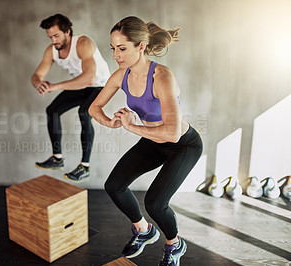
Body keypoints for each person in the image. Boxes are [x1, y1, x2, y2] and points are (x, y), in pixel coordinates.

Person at [89, 16, 203, 265]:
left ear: (140, 46)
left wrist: (132, 127)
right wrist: (110, 122)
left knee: (155, 203)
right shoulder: (121, 76)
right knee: (114, 186)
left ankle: (175, 244)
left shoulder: (162, 76)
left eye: (122, 49)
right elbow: (94, 107)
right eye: (113, 48)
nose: (116, 55)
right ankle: (144, 230)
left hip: (183, 145)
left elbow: (172, 133)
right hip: (153, 141)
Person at [32, 14, 110, 182]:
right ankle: (57, 158)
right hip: (81, 86)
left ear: (67, 32)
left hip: (100, 86)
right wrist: (39, 83)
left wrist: (55, 86)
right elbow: (37, 74)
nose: (53, 41)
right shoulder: (52, 50)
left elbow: (89, 78)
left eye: (56, 36)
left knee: (84, 113)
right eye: (50, 37)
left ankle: (85, 166)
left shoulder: (83, 44)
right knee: (52, 110)